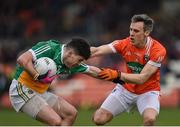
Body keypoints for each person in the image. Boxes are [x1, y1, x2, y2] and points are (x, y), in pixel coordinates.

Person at [91, 14, 166, 126]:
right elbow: (96, 51)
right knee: (98, 119)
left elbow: (142, 78)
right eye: (130, 29)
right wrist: (71, 51)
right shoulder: (125, 43)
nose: (131, 34)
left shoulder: (158, 50)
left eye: (136, 31)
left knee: (150, 120)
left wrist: (116, 75)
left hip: (148, 91)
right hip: (125, 90)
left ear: (146, 33)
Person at [9, 38, 101, 126]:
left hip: (39, 92)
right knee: (56, 122)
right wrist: (37, 76)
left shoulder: (71, 63)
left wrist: (115, 77)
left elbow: (93, 71)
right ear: (70, 53)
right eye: (80, 60)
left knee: (71, 113)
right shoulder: (50, 48)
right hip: (21, 88)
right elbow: (22, 59)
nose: (79, 63)